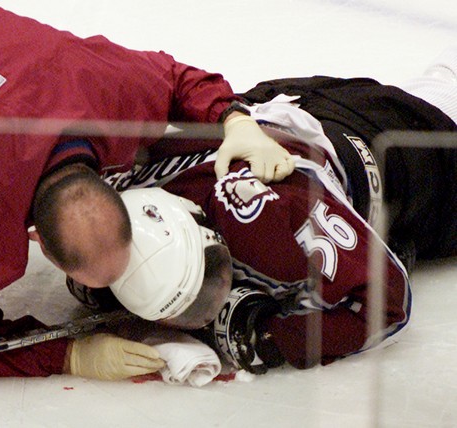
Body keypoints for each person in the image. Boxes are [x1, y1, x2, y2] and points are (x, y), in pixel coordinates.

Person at [0, 0, 295, 379]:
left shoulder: (103, 88)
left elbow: (175, 79)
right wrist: (67, 355)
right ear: (39, 245)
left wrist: (235, 120)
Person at [71, 46, 456, 372]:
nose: (206, 312)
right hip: (290, 104)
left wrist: (269, 336)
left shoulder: (266, 210)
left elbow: (386, 302)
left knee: (439, 97)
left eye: (208, 280)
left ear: (201, 224)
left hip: (400, 151)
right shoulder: (116, 205)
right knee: (437, 83)